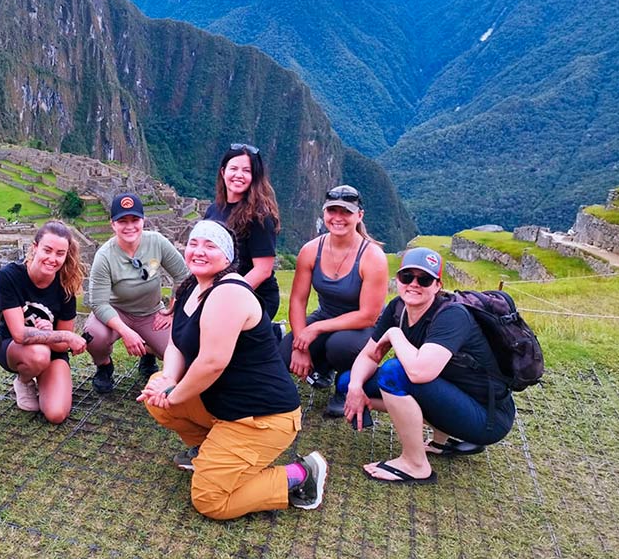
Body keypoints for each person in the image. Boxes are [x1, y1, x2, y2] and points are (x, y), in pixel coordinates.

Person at [139, 220, 327, 519]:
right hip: (226, 407)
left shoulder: (229, 293)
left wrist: (173, 394)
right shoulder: (191, 287)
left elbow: (212, 363)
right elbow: (176, 343)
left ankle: (300, 474)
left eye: (210, 245)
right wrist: (168, 380)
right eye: (195, 243)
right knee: (155, 390)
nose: (199, 251)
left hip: (263, 417)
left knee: (210, 501)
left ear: (227, 258)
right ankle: (212, 451)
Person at [342, 248, 516, 484]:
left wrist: (394, 334)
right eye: (407, 277)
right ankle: (440, 440)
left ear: (437, 286)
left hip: (487, 418)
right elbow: (370, 356)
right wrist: (354, 387)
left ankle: (415, 464)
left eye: (424, 279)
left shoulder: (452, 316)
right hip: (452, 395)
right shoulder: (398, 308)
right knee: (347, 382)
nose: (413, 284)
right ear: (398, 280)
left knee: (395, 372)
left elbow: (419, 372)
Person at [281, 185, 388, 417]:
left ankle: (345, 383)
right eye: (332, 211)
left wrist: (315, 329)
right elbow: (298, 300)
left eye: (346, 212)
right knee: (284, 353)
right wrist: (300, 344)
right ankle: (323, 369)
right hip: (327, 315)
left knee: (340, 346)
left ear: (359, 216)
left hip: (363, 326)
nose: (338, 218)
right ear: (324, 214)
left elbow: (368, 315)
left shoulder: (372, 257)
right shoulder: (311, 251)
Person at [85, 192, 189, 393]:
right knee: (93, 336)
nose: (129, 226)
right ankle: (104, 366)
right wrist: (125, 331)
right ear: (112, 224)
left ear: (143, 220)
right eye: (122, 221)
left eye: (135, 219)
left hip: (152, 313)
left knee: (177, 353)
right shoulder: (104, 256)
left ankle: (148, 353)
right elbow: (98, 303)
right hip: (117, 312)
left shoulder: (157, 242)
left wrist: (172, 310)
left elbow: (184, 276)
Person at [0, 220, 87, 423]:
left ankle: (45, 380)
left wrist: (51, 336)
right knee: (39, 353)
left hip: (52, 351)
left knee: (56, 414)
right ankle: (24, 380)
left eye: (60, 253)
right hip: (13, 347)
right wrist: (60, 335)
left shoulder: (66, 286)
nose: (52, 259)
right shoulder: (9, 276)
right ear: (34, 247)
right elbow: (19, 334)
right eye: (47, 250)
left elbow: (62, 346)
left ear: (66, 255)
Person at [203, 143, 282, 320]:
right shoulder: (213, 210)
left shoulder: (260, 216)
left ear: (255, 177)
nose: (239, 175)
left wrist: (227, 298)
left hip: (253, 293)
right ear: (223, 172)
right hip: (218, 290)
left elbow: (262, 270)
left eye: (247, 170)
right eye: (234, 168)